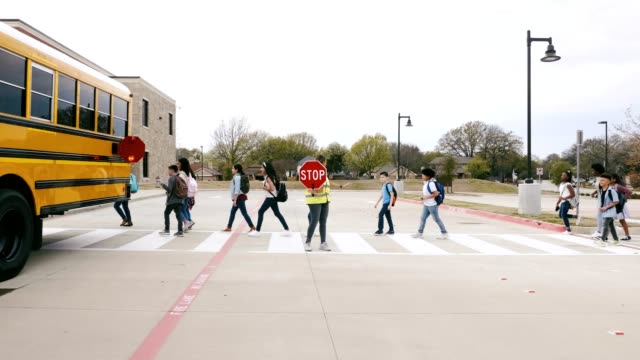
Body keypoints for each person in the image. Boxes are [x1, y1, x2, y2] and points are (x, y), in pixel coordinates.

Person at [249, 161, 290, 237]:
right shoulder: (268, 176)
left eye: (262, 167)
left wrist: (264, 187)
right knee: (277, 213)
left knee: (260, 212)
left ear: (266, 169)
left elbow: (272, 188)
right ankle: (287, 230)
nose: (260, 169)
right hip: (272, 198)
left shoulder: (268, 178)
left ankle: (258, 231)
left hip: (270, 198)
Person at [304, 155, 331, 251]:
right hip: (314, 200)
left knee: (323, 222)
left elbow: (325, 186)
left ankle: (323, 243)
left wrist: (340, 186)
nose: (326, 163)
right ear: (323, 162)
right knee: (314, 221)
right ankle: (308, 242)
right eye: (326, 161)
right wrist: (314, 190)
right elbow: (309, 186)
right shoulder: (312, 172)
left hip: (325, 200)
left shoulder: (323, 173)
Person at [412, 168, 448, 239]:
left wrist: (425, 197)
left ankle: (444, 233)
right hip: (427, 204)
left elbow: (436, 193)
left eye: (423, 175)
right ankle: (420, 233)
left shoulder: (431, 184)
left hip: (432, 205)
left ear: (428, 176)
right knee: (423, 218)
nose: (422, 176)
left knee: (436, 219)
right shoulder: (427, 183)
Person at [224, 164, 257, 234]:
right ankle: (229, 227)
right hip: (239, 197)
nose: (232, 170)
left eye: (233, 168)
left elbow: (237, 189)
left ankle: (252, 227)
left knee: (244, 213)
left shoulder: (237, 178)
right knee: (233, 212)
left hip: (239, 198)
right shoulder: (236, 177)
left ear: (236, 170)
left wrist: (235, 200)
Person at [159, 165, 184, 236]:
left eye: (169, 170)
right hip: (180, 199)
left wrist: (163, 185)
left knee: (166, 213)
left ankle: (167, 230)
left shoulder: (172, 178)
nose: (168, 172)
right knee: (178, 215)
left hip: (172, 200)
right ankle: (180, 231)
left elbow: (169, 189)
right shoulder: (179, 177)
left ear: (172, 170)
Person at [596, 174, 620, 246]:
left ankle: (603, 240)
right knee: (611, 226)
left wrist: (606, 207)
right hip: (604, 211)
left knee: (605, 225)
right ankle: (616, 240)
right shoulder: (601, 190)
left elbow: (616, 201)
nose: (601, 182)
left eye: (603, 180)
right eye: (600, 180)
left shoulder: (611, 191)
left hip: (610, 211)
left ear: (608, 182)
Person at [611, 173, 633, 240]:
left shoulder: (617, 186)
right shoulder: (610, 185)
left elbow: (628, 191)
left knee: (622, 220)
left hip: (620, 206)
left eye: (610, 178)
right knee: (609, 220)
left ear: (614, 179)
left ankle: (627, 235)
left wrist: (624, 199)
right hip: (613, 205)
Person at [555, 171, 576, 235]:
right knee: (561, 215)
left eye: (564, 175)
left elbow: (573, 194)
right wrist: (557, 203)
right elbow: (561, 195)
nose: (562, 176)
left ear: (567, 177)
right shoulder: (561, 184)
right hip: (563, 202)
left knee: (563, 215)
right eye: (562, 175)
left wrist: (565, 198)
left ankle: (569, 230)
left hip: (567, 202)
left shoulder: (568, 184)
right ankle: (575, 216)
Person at [590, 163, 606, 238]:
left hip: (603, 199)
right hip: (600, 199)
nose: (592, 172)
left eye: (593, 171)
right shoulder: (599, 178)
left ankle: (600, 232)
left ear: (598, 171)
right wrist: (594, 192)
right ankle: (600, 231)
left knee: (600, 216)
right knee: (600, 216)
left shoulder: (603, 178)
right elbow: (599, 188)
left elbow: (604, 189)